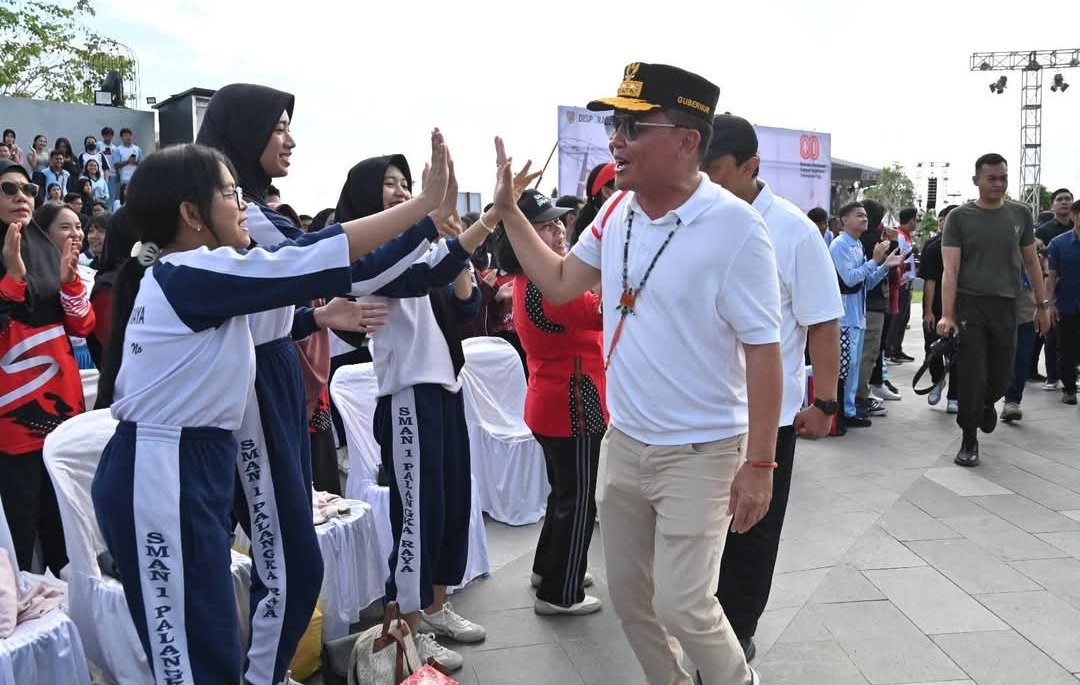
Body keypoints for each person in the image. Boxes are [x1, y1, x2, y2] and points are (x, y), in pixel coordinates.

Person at [90, 141, 450, 685]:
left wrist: (422, 223)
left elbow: (317, 275)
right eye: (230, 193)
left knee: (208, 645)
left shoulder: (197, 275)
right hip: (162, 474)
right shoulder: (192, 272)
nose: (244, 206)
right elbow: (314, 257)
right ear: (191, 214)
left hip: (189, 466)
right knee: (189, 660)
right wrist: (421, 207)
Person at [495, 62, 783, 685]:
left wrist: (760, 464)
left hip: (702, 450)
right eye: (614, 127)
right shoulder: (616, 212)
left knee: (684, 604)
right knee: (632, 600)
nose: (616, 141)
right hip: (624, 442)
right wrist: (509, 213)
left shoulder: (736, 228)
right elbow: (561, 281)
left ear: (686, 140)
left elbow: (765, 350)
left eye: (632, 127)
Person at [193, 84, 449, 685]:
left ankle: (269, 670)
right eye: (279, 126)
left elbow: (277, 303)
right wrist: (421, 215)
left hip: (274, 378)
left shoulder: (248, 208)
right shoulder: (242, 214)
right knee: (289, 563)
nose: (290, 140)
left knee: (289, 560)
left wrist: (314, 318)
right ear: (244, 131)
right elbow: (328, 262)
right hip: (255, 392)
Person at [334, 150, 504, 672]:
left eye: (406, 183)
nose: (402, 191)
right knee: (417, 518)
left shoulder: (418, 246)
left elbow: (464, 303)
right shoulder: (369, 254)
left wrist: (463, 238)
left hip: (445, 387)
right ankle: (405, 629)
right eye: (390, 184)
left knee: (449, 505)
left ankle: (433, 608)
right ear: (366, 196)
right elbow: (416, 277)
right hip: (407, 395)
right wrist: (454, 229)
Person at [700, 114, 843, 663]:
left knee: (752, 528)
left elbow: (823, 321)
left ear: (750, 166)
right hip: (702, 411)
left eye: (714, 168)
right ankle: (700, 621)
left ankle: (737, 632)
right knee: (701, 527)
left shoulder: (792, 231)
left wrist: (824, 402)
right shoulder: (696, 218)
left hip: (767, 417)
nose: (703, 178)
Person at [493, 190, 606, 616]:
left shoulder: (529, 280)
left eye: (558, 222)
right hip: (575, 402)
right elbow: (603, 313)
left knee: (564, 495)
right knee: (579, 501)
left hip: (552, 400)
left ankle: (550, 569)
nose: (558, 230)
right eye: (544, 226)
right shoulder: (551, 286)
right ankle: (561, 593)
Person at [0, 159, 90, 576]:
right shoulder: (17, 257)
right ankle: (19, 595)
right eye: (8, 189)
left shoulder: (45, 250)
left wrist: (69, 281)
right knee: (19, 515)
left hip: (62, 399)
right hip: (13, 409)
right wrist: (12, 277)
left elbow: (82, 325)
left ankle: (68, 593)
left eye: (28, 190)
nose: (21, 196)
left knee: (63, 514)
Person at [937, 153, 1049, 467]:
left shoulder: (1020, 214)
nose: (998, 184)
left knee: (1001, 376)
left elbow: (1032, 263)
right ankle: (968, 438)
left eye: (1003, 177)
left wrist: (1042, 306)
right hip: (970, 304)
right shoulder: (959, 217)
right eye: (991, 178)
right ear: (976, 180)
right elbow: (950, 270)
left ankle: (988, 402)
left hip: (1008, 305)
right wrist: (947, 314)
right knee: (972, 374)